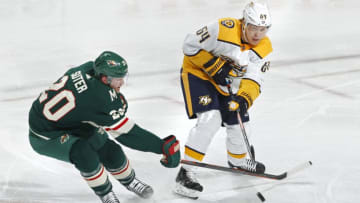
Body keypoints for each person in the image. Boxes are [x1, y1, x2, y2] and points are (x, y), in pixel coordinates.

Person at [28, 51, 181, 203]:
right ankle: (105, 194)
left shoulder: (88, 68)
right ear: (104, 78)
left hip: (70, 120)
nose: (122, 83)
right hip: (45, 135)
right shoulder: (99, 99)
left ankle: (130, 181)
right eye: (118, 79)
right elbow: (128, 134)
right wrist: (161, 147)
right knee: (84, 154)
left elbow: (84, 100)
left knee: (110, 150)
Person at [174, 1, 273, 199]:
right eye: (253, 28)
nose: (257, 34)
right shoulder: (222, 29)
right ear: (244, 23)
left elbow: (254, 79)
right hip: (199, 75)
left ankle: (237, 160)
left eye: (263, 29)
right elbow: (189, 44)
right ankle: (186, 172)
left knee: (239, 121)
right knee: (210, 119)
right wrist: (212, 65)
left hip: (228, 81)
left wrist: (245, 99)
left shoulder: (264, 48)